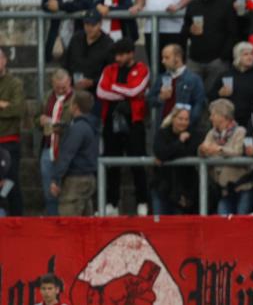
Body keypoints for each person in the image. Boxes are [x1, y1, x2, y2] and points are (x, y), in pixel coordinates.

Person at [95, 38, 150, 216]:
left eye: (121, 54)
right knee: (112, 163)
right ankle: (111, 203)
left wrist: (114, 88)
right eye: (116, 55)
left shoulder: (142, 69)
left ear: (131, 54)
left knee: (137, 163)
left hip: (134, 122)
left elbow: (136, 90)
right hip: (111, 122)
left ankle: (143, 202)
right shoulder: (109, 69)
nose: (117, 58)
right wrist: (125, 92)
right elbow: (100, 92)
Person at [181, 0, 237, 91]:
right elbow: (183, 31)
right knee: (191, 96)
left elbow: (233, 32)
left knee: (213, 97)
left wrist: (222, 58)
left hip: (217, 62)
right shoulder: (193, 5)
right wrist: (190, 29)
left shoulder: (226, 4)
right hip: (195, 60)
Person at [199, 98, 253, 216]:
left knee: (241, 221)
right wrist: (202, 150)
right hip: (223, 189)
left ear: (223, 116)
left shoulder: (240, 131)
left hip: (242, 187)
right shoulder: (211, 133)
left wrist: (219, 149)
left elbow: (238, 152)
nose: (210, 118)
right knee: (222, 221)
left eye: (213, 115)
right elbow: (205, 149)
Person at [50, 90, 99, 217]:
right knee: (86, 222)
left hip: (75, 180)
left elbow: (67, 154)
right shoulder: (91, 126)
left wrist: (56, 178)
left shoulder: (77, 129)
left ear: (75, 106)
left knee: (69, 221)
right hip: (89, 177)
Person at [208, 41, 253, 128]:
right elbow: (210, 97)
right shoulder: (225, 75)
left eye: (252, 54)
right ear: (237, 57)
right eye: (246, 54)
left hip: (252, 123)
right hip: (228, 123)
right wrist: (220, 94)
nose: (250, 57)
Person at [151, 105, 201, 215]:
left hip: (184, 190)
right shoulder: (162, 133)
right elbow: (160, 152)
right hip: (162, 188)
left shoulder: (193, 134)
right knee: (159, 225)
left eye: (186, 119)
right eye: (180, 119)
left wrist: (166, 156)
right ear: (173, 119)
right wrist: (179, 142)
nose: (183, 122)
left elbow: (189, 152)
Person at [37, 70, 75, 216]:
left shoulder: (75, 98)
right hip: (48, 147)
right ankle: (52, 220)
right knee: (48, 190)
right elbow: (36, 118)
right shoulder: (47, 96)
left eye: (63, 87)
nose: (60, 90)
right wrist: (40, 121)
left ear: (69, 82)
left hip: (66, 149)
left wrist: (58, 125)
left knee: (65, 189)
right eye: (57, 87)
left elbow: (77, 123)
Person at [146, 44, 206, 129]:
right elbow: (150, 100)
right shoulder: (162, 78)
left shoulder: (194, 79)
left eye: (167, 58)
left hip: (183, 128)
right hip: (163, 127)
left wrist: (186, 123)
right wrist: (161, 97)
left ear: (177, 58)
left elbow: (199, 104)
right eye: (162, 58)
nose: (163, 61)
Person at [62, 10, 114, 98]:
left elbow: (111, 72)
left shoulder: (108, 44)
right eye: (86, 24)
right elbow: (66, 61)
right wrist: (67, 79)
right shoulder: (76, 38)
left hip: (95, 93)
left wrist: (93, 82)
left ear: (100, 24)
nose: (89, 28)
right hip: (72, 89)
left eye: (93, 25)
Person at [0, 47, 25, 216]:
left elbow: (17, 109)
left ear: (4, 60)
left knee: (10, 182)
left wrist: (6, 107)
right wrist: (3, 104)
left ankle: (16, 218)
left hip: (8, 142)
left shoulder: (14, 83)